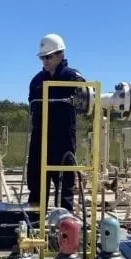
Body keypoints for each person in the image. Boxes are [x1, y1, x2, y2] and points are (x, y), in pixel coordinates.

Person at [26, 33, 85, 211]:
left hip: (63, 139)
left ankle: (65, 226)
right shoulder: (36, 81)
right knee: (36, 181)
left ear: (61, 54)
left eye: (49, 56)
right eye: (43, 57)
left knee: (64, 185)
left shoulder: (72, 77)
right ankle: (36, 224)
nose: (45, 60)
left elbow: (86, 96)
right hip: (39, 138)